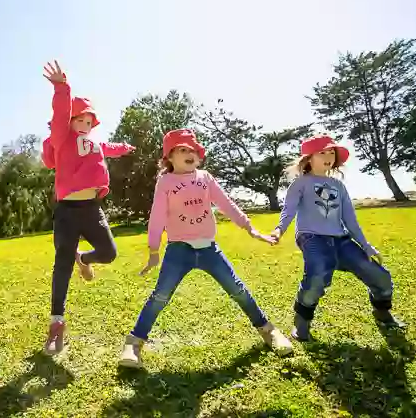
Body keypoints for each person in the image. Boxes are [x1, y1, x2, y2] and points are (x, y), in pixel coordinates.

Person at [119, 129, 293, 368]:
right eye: (182, 150)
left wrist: (250, 229)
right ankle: (133, 343)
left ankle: (268, 331)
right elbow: (157, 216)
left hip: (210, 250)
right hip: (178, 251)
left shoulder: (205, 178)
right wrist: (153, 251)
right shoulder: (166, 182)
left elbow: (226, 203)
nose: (189, 153)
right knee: (160, 296)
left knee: (238, 290)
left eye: (193, 150)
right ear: (169, 156)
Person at [270, 134, 406, 342]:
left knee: (380, 276)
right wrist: (279, 230)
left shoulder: (338, 186)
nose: (328, 157)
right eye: (322, 153)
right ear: (309, 158)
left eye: (331, 152)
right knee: (317, 277)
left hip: (341, 240)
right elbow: (288, 210)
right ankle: (302, 323)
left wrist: (366, 246)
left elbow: (350, 220)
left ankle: (382, 312)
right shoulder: (300, 184)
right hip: (312, 238)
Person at [42, 60, 135, 355]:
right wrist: (62, 87)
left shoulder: (92, 143)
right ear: (69, 121)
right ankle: (57, 323)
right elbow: (59, 114)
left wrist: (123, 148)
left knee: (108, 253)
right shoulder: (62, 138)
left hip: (92, 209)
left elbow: (108, 148)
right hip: (68, 212)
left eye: (88, 122)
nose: (84, 126)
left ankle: (86, 259)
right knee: (62, 264)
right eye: (78, 120)